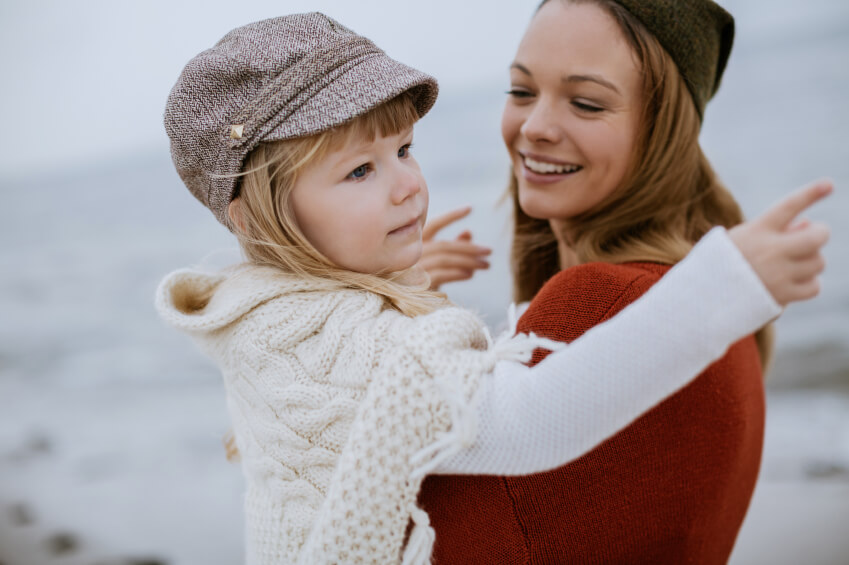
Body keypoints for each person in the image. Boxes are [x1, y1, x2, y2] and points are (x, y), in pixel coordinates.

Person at [154, 12, 828, 565]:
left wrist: (397, 286)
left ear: (661, 135)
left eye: (405, 150)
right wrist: (723, 284)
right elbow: (526, 417)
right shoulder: (345, 338)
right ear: (257, 215)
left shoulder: (272, 314)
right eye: (360, 170)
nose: (407, 184)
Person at [418, 1, 832, 563]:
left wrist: (375, 298)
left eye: (585, 103)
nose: (535, 126)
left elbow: (398, 482)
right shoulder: (705, 309)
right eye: (520, 91)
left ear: (662, 132)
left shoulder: (601, 303)